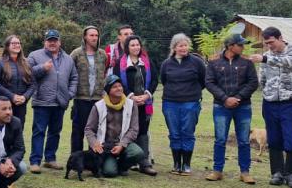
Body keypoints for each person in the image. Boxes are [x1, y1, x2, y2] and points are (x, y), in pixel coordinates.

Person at [249, 27, 292, 188]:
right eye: (266, 44)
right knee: (274, 138)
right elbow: (263, 78)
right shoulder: (266, 56)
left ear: (280, 38)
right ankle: (277, 172)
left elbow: (290, 63)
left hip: (290, 101)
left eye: (271, 42)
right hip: (270, 102)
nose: (269, 46)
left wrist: (264, 59)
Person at [205, 34, 259, 184]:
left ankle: (245, 172)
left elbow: (253, 82)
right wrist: (225, 98)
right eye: (240, 45)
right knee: (220, 139)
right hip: (221, 106)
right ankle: (217, 170)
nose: (243, 47)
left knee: (243, 140)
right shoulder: (214, 62)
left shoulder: (247, 62)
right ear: (230, 46)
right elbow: (209, 82)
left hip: (243, 106)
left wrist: (238, 98)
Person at [27, 29, 78, 173]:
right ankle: (35, 161)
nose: (52, 43)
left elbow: (74, 78)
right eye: (49, 40)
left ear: (59, 42)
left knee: (55, 132)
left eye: (55, 40)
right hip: (42, 101)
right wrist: (42, 68)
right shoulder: (35, 55)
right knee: (39, 132)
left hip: (60, 102)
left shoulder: (68, 59)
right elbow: (27, 73)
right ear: (45, 42)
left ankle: (50, 159)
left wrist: (70, 94)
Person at [112, 35, 159, 176]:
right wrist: (131, 96)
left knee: (143, 132)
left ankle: (144, 163)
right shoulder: (120, 63)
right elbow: (117, 82)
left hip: (145, 103)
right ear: (127, 47)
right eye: (132, 45)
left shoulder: (147, 62)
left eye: (137, 45)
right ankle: (126, 162)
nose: (136, 47)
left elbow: (155, 80)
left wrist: (146, 95)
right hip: (127, 103)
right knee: (127, 132)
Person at [160, 33, 206, 176]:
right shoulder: (166, 64)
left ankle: (186, 164)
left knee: (187, 132)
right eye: (180, 45)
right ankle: (176, 164)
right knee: (174, 133)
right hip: (170, 103)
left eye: (185, 45)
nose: (183, 48)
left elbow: (203, 80)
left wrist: (191, 93)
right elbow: (164, 80)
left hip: (190, 103)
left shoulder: (197, 62)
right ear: (174, 47)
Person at [84, 75, 147, 178]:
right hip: (105, 146)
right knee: (110, 172)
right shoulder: (98, 106)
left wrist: (122, 145)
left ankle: (122, 167)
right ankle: (112, 166)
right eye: (115, 87)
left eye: (120, 86)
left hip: (123, 143)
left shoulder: (131, 105)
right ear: (108, 90)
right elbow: (89, 129)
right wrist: (94, 143)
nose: (119, 88)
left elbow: (134, 129)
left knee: (138, 153)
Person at [69, 26, 108, 157]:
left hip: (98, 99)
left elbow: (105, 73)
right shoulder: (76, 54)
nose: (94, 38)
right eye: (91, 35)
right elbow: (69, 73)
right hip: (81, 98)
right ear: (85, 37)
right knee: (78, 131)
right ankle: (76, 158)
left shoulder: (103, 55)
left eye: (96, 35)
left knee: (96, 131)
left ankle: (93, 159)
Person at [0, 34, 33, 126]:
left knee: (18, 131)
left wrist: (24, 97)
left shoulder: (27, 63)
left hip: (21, 105)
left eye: (18, 43)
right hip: (4, 104)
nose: (17, 45)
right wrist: (12, 96)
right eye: (13, 43)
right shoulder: (0, 62)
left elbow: (32, 84)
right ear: (7, 46)